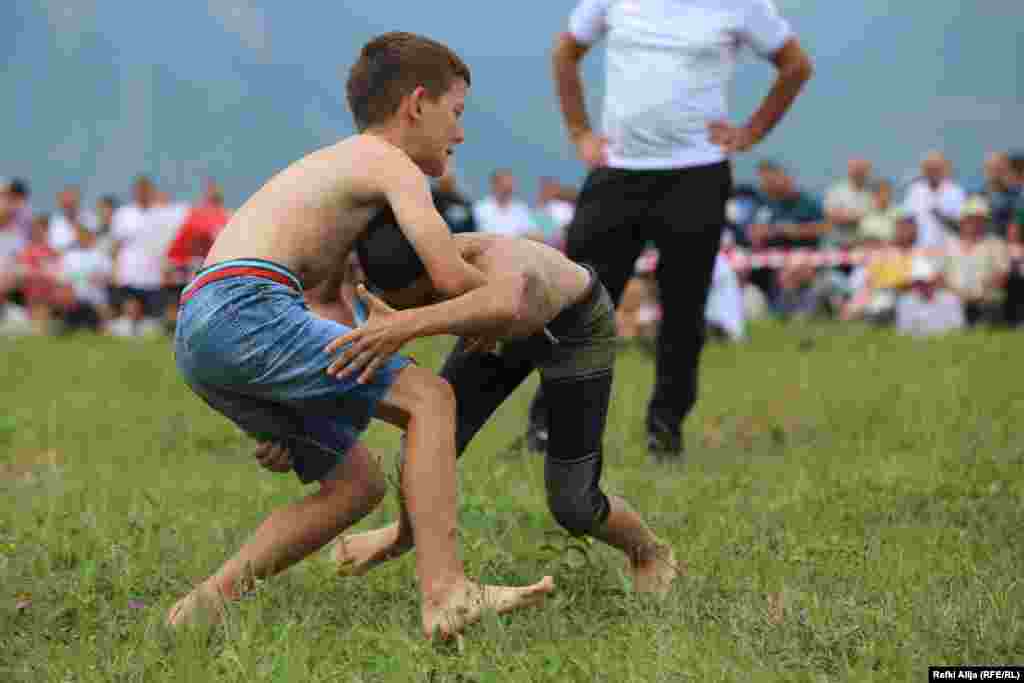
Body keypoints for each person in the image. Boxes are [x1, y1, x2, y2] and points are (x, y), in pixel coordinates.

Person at [167, 32, 552, 638]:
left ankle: (199, 611)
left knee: (355, 485)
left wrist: (286, 403)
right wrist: (523, 306)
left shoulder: (343, 170)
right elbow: (451, 275)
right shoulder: (389, 162)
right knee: (432, 398)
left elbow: (325, 303)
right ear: (416, 104)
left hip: (206, 323)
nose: (459, 133)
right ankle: (446, 592)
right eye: (456, 113)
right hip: (246, 305)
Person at [257, 215, 680, 597]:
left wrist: (406, 325)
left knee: (574, 504)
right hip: (495, 331)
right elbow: (346, 367)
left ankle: (650, 551)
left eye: (424, 300)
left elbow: (507, 304)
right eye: (406, 305)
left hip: (574, 329)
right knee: (424, 438)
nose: (416, 310)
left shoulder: (503, 263)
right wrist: (294, 429)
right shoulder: (376, 262)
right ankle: (405, 534)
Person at [540, 0, 812, 461]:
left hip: (697, 173)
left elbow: (795, 65)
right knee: (578, 304)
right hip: (619, 171)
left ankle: (664, 431)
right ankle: (548, 425)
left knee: (684, 311)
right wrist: (580, 132)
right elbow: (566, 53)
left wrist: (751, 133)